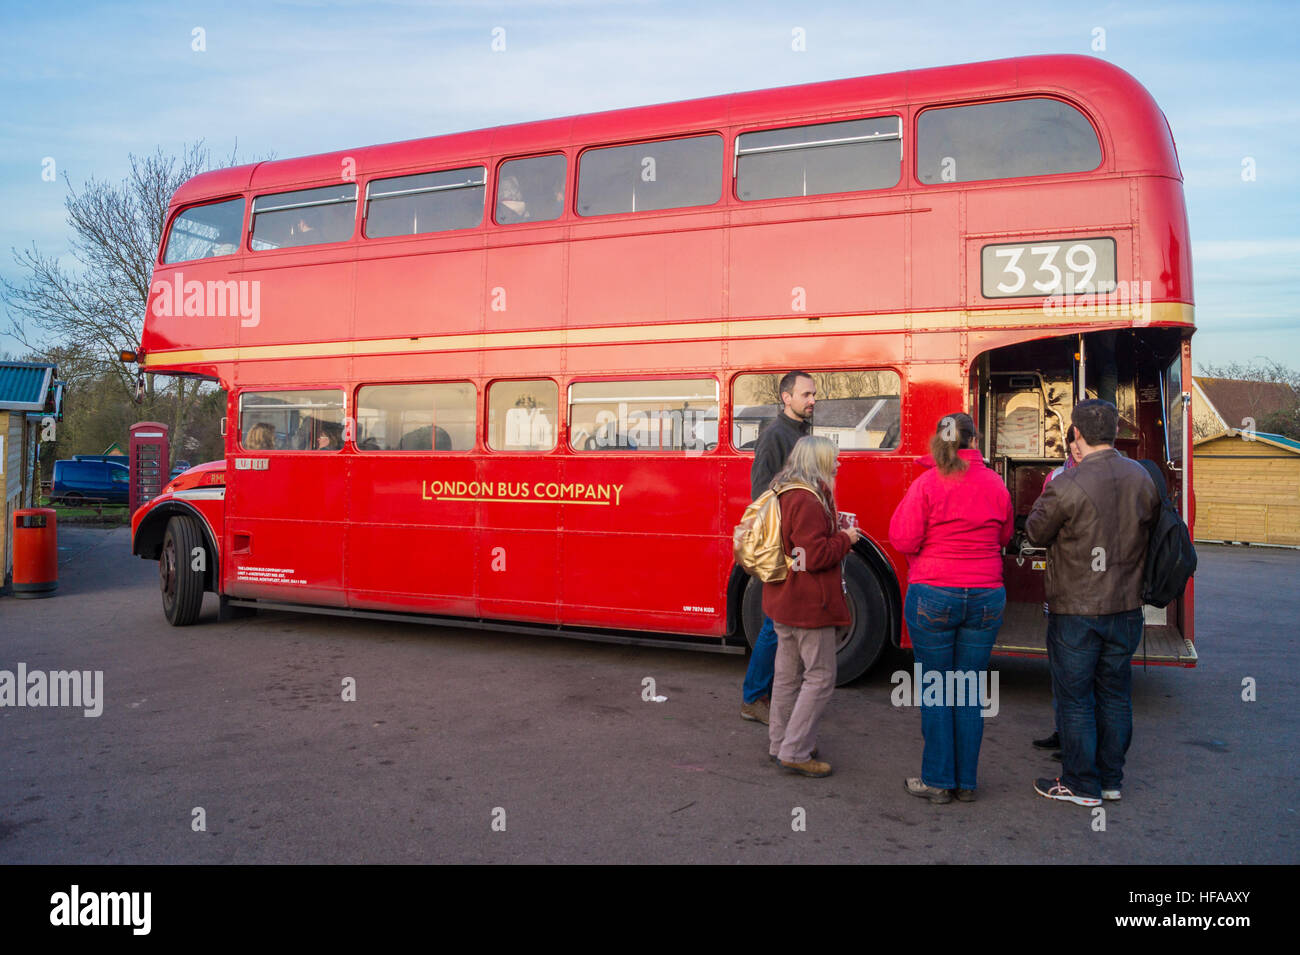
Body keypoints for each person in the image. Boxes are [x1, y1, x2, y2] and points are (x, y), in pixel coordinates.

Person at [1026, 399, 1160, 807]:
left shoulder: (1067, 484)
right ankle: (1110, 781)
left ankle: (1081, 784)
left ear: (1078, 435)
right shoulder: (1142, 477)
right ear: (1114, 433)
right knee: (1116, 694)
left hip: (1077, 610)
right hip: (1126, 607)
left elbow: (1034, 531)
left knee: (1076, 698)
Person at [888, 413, 1013, 804]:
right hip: (986, 596)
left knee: (937, 688)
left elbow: (902, 538)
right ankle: (967, 783)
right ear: (973, 441)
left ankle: (938, 781)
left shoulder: (926, 483)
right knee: (970, 687)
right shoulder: (996, 484)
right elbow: (1005, 534)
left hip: (934, 595)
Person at [763, 435, 860, 777]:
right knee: (820, 678)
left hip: (783, 600)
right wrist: (845, 539)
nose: (838, 463)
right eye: (833, 458)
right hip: (808, 604)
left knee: (787, 678)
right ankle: (796, 750)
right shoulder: (807, 499)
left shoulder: (784, 489)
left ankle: (780, 743)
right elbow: (812, 556)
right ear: (817, 460)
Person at [740, 371, 816, 724]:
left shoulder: (801, 432)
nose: (812, 399)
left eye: (814, 394)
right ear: (787, 397)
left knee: (783, 623)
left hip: (798, 539)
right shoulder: (774, 436)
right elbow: (761, 492)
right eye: (806, 394)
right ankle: (754, 697)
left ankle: (769, 694)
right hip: (786, 543)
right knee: (775, 623)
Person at [1033, 425, 1083, 757]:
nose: (1078, 448)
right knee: (1061, 667)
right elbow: (1040, 524)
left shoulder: (1107, 476)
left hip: (1083, 590)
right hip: (1061, 582)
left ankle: (1077, 745)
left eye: (1083, 441)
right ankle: (1062, 730)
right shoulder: (1054, 478)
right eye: (1074, 441)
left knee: (1081, 675)